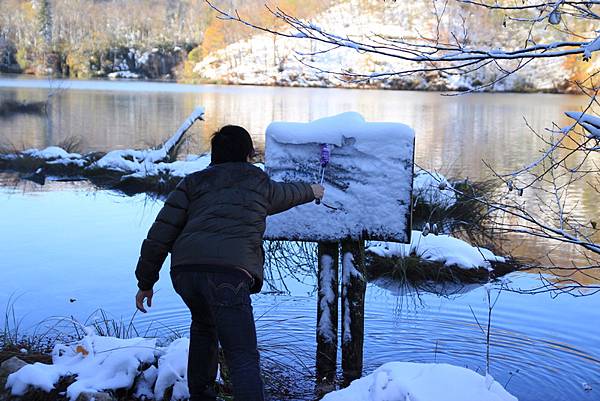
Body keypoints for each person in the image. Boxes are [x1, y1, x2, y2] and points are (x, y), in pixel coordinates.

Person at [134, 125, 324, 401]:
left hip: (186, 273)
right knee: (242, 353)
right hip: (229, 277)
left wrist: (146, 282)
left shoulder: (192, 182)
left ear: (215, 155)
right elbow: (288, 193)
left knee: (204, 328)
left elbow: (159, 235)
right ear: (248, 154)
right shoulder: (257, 182)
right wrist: (314, 190)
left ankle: (201, 396)